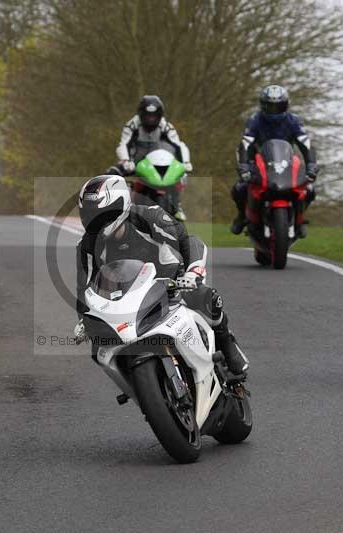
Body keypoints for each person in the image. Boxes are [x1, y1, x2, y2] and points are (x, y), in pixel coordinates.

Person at [72, 174, 249, 377]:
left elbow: (188, 241)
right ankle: (140, 385)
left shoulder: (150, 217)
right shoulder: (86, 245)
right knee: (99, 348)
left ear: (121, 205)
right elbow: (84, 288)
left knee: (206, 297)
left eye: (102, 215)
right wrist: (84, 320)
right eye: (91, 216)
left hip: (172, 283)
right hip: (127, 299)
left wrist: (192, 273)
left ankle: (226, 343)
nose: (96, 222)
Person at [230, 85, 318, 235]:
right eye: (270, 106)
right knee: (239, 188)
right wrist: (244, 166)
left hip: (286, 162)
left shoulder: (294, 121)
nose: (274, 110)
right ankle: (242, 216)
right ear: (263, 105)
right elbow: (245, 144)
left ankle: (300, 219)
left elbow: (306, 144)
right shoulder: (254, 120)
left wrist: (311, 165)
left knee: (309, 190)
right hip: (258, 161)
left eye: (278, 106)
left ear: (286, 105)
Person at [115, 95, 192, 221]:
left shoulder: (166, 126)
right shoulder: (131, 125)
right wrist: (126, 160)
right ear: (141, 114)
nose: (151, 119)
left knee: (181, 175)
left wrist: (185, 162)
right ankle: (119, 208)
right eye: (147, 116)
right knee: (113, 174)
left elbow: (179, 144)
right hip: (136, 161)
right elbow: (123, 144)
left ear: (160, 115)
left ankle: (177, 204)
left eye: (154, 116)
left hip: (159, 160)